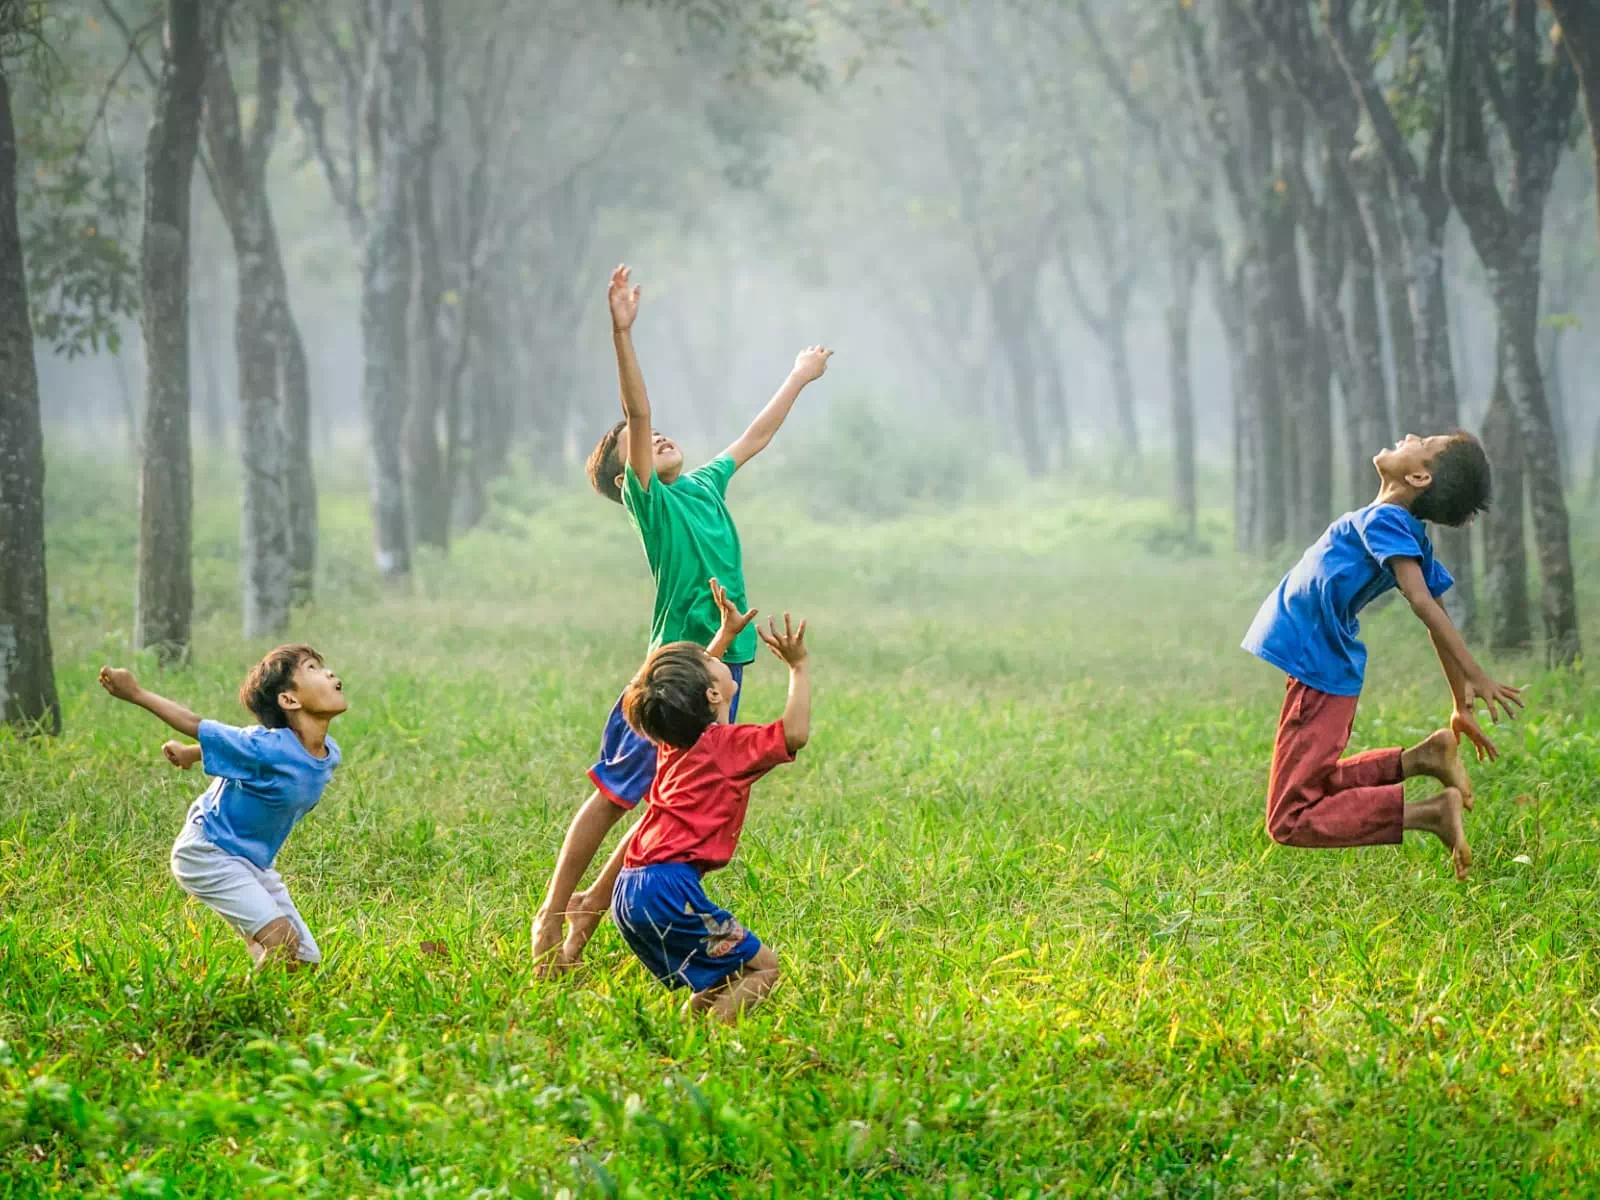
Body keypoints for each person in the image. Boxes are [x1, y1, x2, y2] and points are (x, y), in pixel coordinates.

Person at [530, 262, 831, 973]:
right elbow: (637, 413)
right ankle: (553, 913)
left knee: (673, 798)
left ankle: (588, 917)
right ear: (625, 475)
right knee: (616, 794)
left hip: (726, 666)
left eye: (661, 434)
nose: (656, 436)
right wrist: (622, 333)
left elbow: (754, 436)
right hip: (672, 671)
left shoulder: (704, 485)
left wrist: (798, 376)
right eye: (637, 443)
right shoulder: (653, 504)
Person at [1241, 432, 1523, 879]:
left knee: (1289, 818)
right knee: (1314, 784)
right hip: (1320, 666)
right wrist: (1460, 703)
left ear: (1419, 477)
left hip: (1319, 668)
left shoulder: (1387, 520)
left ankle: (1430, 813)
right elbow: (1436, 613)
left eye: (1424, 442)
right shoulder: (1399, 528)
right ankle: (1424, 759)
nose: (1410, 436)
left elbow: (1424, 604)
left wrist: (1475, 675)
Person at [610, 594, 811, 1023]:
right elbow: (794, 733)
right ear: (713, 692)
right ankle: (712, 1044)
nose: (714, 657)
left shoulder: (675, 741)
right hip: (668, 892)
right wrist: (798, 667)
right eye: (711, 661)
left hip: (630, 890)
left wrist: (725, 634)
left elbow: (688, 692)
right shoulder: (728, 747)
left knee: (724, 974)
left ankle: (687, 1034)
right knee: (764, 968)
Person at [98, 645, 347, 968]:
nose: (329, 672)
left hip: (253, 862)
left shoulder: (329, 753)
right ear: (289, 700)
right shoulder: (265, 746)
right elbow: (195, 723)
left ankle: (262, 958)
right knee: (281, 942)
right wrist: (135, 693)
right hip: (209, 851)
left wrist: (190, 753)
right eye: (312, 668)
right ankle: (241, 996)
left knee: (303, 960)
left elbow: (241, 753)